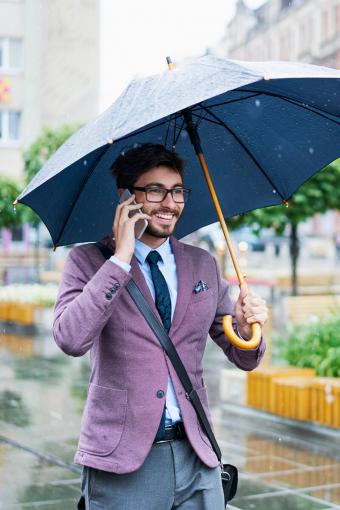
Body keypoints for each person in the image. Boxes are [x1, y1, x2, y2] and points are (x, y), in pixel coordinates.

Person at [53, 143, 268, 510]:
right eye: (154, 190)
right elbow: (70, 338)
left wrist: (249, 328)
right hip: (123, 460)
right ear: (127, 197)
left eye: (177, 191)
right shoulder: (87, 261)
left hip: (197, 455)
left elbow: (244, 356)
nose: (169, 203)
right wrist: (120, 260)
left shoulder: (202, 265)